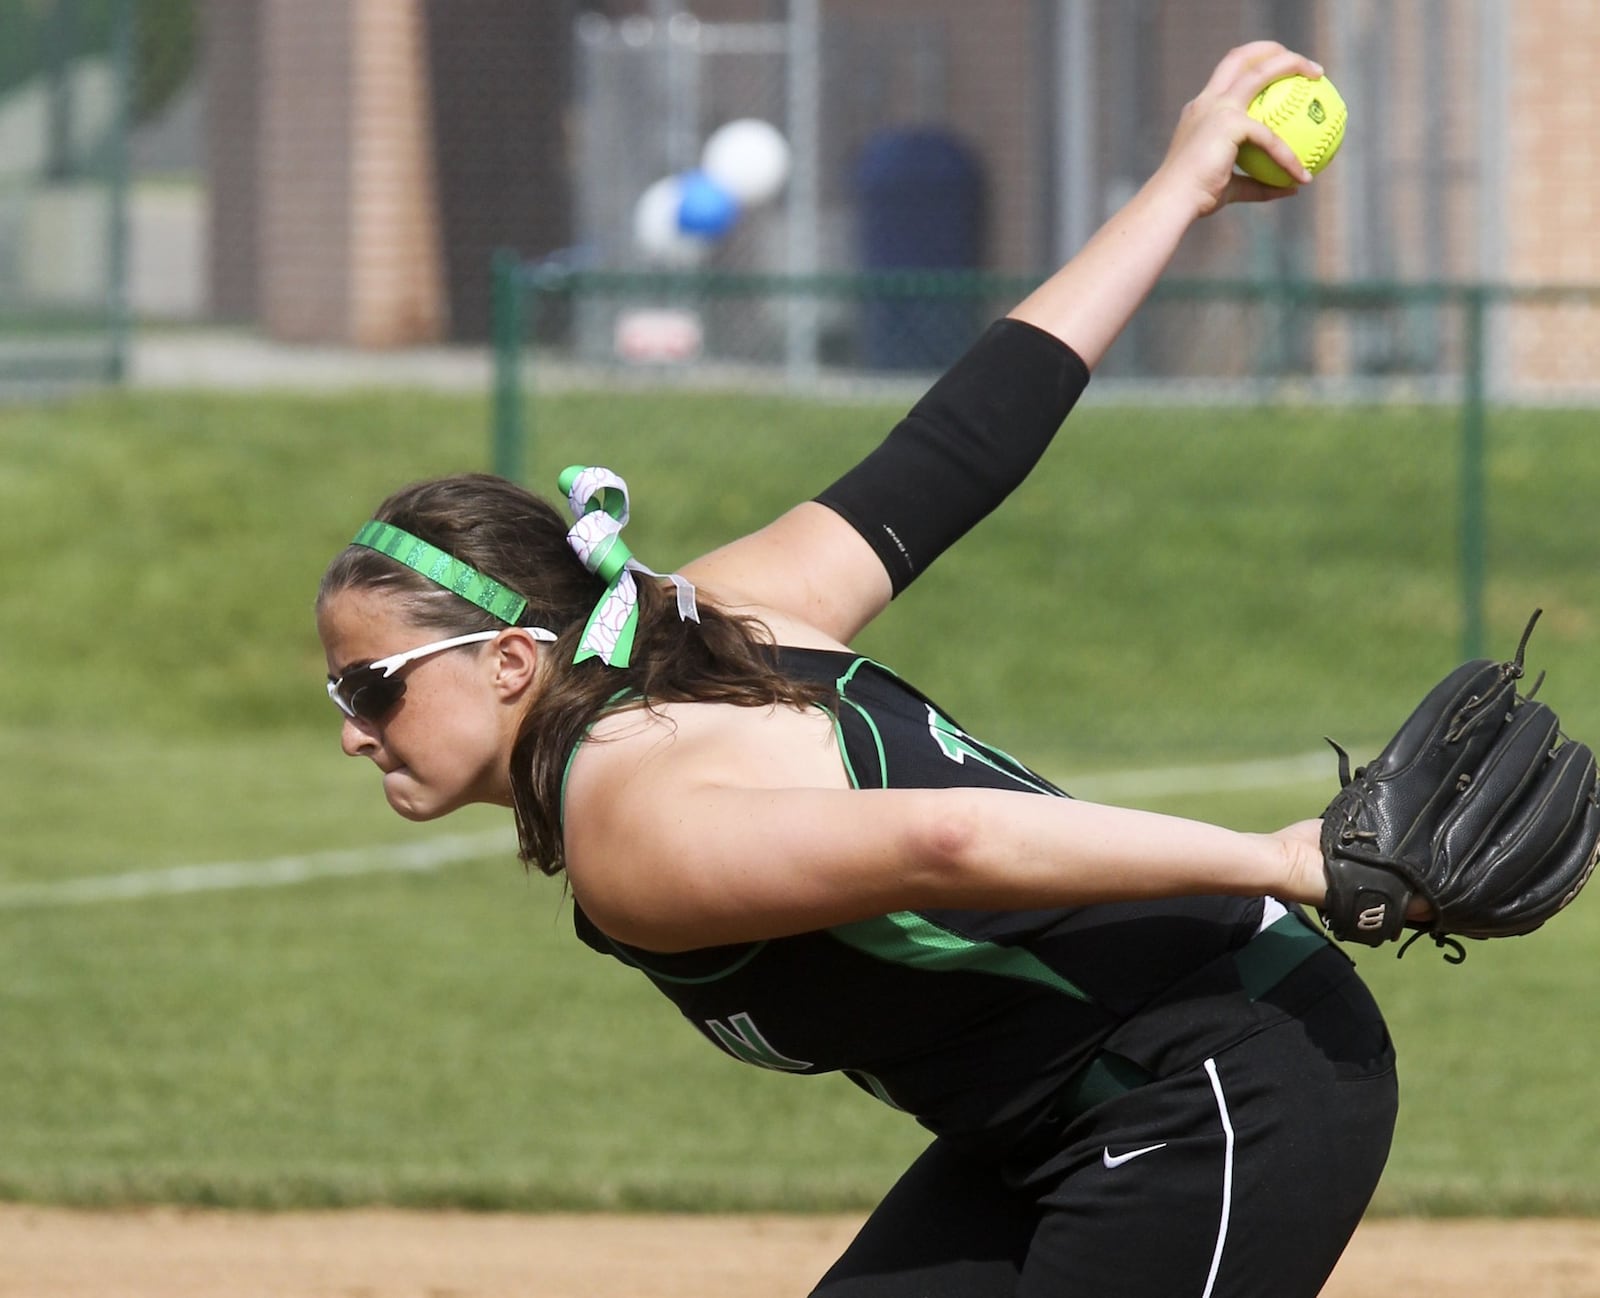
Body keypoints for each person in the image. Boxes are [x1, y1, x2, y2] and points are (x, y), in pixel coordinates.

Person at [317, 42, 1395, 1298]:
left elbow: (943, 846)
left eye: (370, 682)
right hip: (1053, 1116)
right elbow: (972, 432)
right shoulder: (712, 609)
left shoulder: (626, 821)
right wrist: (1182, 187)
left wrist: (1283, 859)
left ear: (508, 659)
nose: (352, 726)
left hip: (1216, 1077)